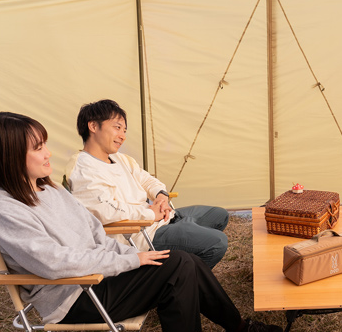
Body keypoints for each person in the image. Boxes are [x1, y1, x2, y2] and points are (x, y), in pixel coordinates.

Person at [0, 112, 282, 332]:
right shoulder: (3, 207)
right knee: (177, 264)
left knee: (181, 259)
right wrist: (129, 261)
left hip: (97, 277)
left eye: (44, 144)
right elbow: (53, 262)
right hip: (76, 295)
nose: (48, 153)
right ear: (7, 157)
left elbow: (94, 232)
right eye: (38, 148)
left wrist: (129, 255)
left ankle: (238, 329)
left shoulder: (46, 187)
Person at [65, 99, 228, 269]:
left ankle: (183, 268)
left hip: (161, 219)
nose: (122, 136)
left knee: (219, 215)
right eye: (117, 127)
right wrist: (149, 213)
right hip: (141, 235)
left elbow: (146, 179)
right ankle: (184, 281)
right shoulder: (83, 168)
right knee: (217, 243)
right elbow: (105, 211)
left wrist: (161, 197)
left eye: (124, 130)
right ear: (93, 126)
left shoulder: (119, 158)